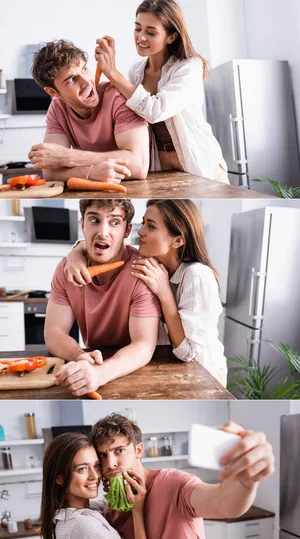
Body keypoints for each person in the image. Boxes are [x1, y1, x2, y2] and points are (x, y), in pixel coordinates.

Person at [79, 412, 275, 539]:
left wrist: (247, 479)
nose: (111, 463)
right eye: (103, 456)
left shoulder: (172, 483)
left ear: (139, 450)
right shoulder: (110, 510)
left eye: (119, 451)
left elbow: (224, 504)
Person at [65, 199, 227, 386]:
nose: (140, 231)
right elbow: (107, 244)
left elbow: (189, 354)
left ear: (178, 240)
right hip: (170, 372)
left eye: (151, 226)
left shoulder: (197, 275)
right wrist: (76, 253)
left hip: (204, 378)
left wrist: (164, 293)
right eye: (143, 223)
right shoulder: (151, 263)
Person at [94, 0, 229, 182]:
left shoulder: (189, 67)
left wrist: (112, 72)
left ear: (171, 37)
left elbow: (156, 111)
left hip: (197, 162)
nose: (141, 37)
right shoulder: (135, 72)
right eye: (137, 28)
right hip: (158, 166)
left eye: (151, 32)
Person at [45, 199, 161, 397]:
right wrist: (81, 357)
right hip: (91, 363)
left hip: (132, 371)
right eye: (94, 220)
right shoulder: (66, 269)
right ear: (83, 224)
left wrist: (100, 374)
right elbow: (53, 333)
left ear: (127, 230)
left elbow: (143, 344)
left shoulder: (142, 272)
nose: (103, 232)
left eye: (114, 222)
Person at [40, 432, 156, 539]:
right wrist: (137, 511)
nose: (95, 476)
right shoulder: (83, 526)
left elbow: (104, 509)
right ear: (59, 477)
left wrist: (118, 491)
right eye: (82, 469)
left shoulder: (77, 515)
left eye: (96, 466)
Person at [28, 39, 149, 183]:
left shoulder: (118, 98)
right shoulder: (58, 108)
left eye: (84, 69)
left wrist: (67, 157)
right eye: (72, 79)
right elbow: (51, 172)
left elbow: (139, 165)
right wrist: (91, 172)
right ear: (53, 92)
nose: (86, 82)